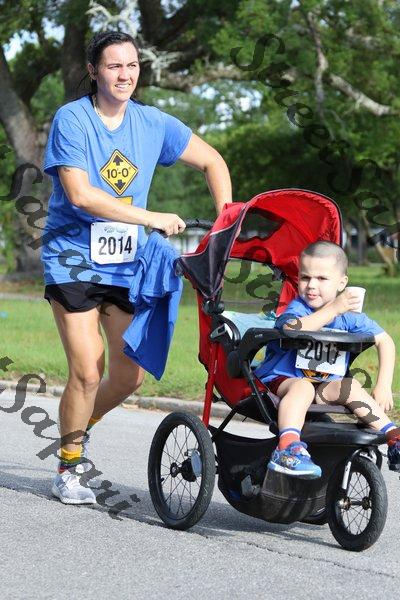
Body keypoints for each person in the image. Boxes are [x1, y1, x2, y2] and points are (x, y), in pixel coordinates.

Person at [42, 31, 232, 504]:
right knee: (88, 371)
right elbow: (80, 195)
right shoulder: (73, 119)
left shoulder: (152, 123)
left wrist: (224, 226)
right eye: (113, 66)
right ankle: (69, 467)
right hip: (73, 259)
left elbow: (212, 161)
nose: (124, 74)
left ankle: (78, 428)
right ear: (94, 72)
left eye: (131, 65)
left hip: (126, 265)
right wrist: (150, 217)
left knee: (130, 377)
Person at [255, 240, 400, 478]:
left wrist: (383, 384)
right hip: (283, 381)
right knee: (303, 387)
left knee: (350, 386)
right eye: (305, 277)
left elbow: (385, 341)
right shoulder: (298, 309)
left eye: (322, 278)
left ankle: (393, 437)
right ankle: (288, 449)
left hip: (323, 385)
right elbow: (292, 328)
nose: (311, 285)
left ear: (342, 283)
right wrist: (333, 309)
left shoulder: (349, 318)